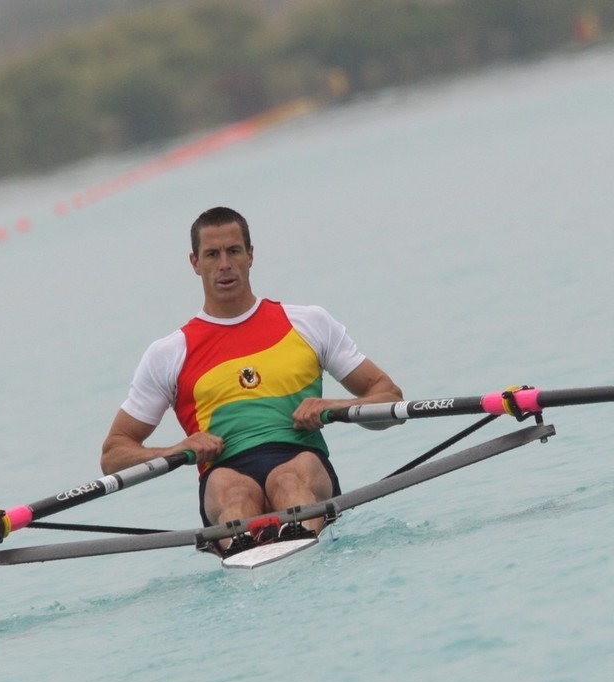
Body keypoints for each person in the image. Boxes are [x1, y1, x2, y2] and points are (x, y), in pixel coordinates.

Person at [100, 206, 402, 554]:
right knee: (236, 496)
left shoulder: (308, 323)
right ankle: (262, 551)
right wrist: (175, 450)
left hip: (300, 456)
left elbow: (388, 396)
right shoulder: (169, 353)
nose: (224, 264)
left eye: (234, 251)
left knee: (288, 482)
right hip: (226, 470)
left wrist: (335, 406)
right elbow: (113, 454)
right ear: (195, 263)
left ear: (251, 256)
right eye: (212, 254)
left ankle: (289, 548)